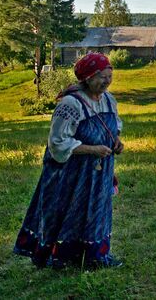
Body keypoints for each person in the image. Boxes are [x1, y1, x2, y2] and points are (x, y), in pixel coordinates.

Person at [13, 52, 124, 269]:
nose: (107, 81)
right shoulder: (71, 104)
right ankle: (64, 258)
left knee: (97, 212)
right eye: (101, 76)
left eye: (109, 75)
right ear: (87, 77)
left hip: (99, 171)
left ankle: (96, 257)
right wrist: (92, 149)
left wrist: (116, 141)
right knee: (70, 212)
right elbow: (57, 143)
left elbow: (112, 127)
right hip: (71, 173)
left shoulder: (109, 100)